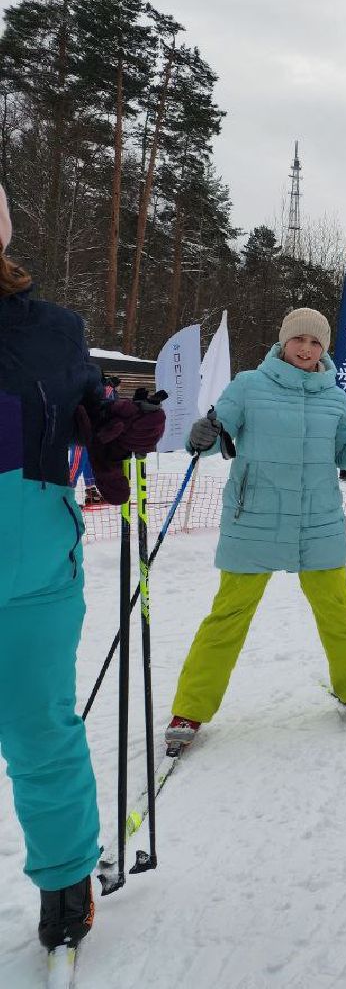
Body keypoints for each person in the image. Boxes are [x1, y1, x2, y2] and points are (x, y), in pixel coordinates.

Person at [0, 182, 166, 951]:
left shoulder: (52, 332)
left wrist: (114, 425)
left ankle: (67, 877)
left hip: (27, 567)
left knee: (39, 730)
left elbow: (91, 409)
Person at [165, 308, 346, 749]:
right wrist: (202, 436)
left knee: (339, 612)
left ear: (324, 349)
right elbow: (217, 437)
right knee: (227, 618)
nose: (306, 350)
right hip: (255, 518)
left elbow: (345, 456)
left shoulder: (333, 396)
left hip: (319, 521)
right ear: (283, 342)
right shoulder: (249, 385)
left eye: (315, 343)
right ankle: (189, 710)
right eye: (299, 340)